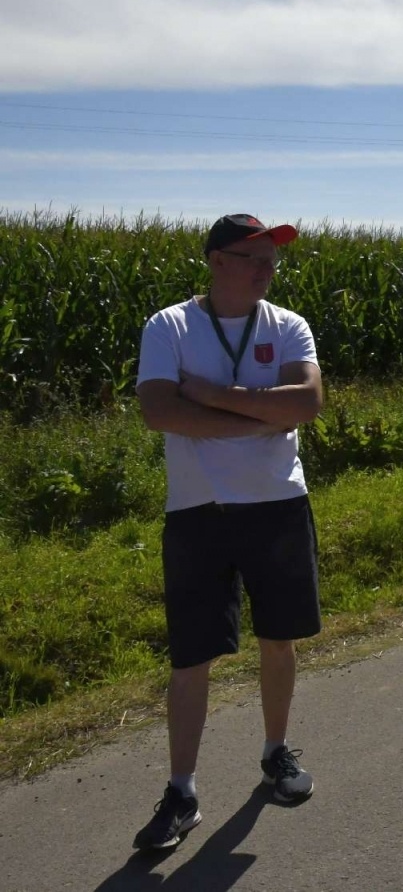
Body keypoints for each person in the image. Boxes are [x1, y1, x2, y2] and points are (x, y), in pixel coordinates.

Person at [132, 213, 325, 851]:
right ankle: (181, 791)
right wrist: (261, 418)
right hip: (199, 511)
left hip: (277, 504)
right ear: (216, 260)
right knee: (191, 657)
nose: (267, 268)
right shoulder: (169, 326)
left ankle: (276, 752)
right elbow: (159, 409)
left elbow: (306, 403)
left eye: (272, 258)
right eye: (253, 257)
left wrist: (212, 396)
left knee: (278, 639)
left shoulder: (288, 325)